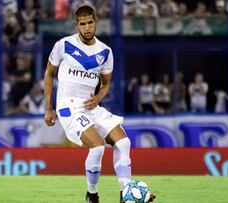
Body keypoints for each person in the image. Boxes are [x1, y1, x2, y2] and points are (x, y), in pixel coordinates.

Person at [43, 2, 156, 203]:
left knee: (123, 141)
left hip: (91, 106)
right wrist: (48, 108)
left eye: (90, 23)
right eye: (82, 24)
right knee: (97, 147)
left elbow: (106, 84)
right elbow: (49, 74)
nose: (87, 27)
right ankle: (92, 194)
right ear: (76, 25)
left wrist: (99, 97)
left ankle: (126, 193)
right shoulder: (64, 45)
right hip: (69, 107)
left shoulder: (105, 52)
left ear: (96, 22)